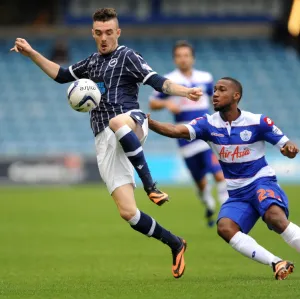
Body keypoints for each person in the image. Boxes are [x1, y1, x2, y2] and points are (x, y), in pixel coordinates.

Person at [10, 8, 203, 278]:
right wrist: (32, 53)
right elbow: (62, 74)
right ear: (93, 33)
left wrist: (185, 91)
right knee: (128, 213)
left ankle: (151, 186)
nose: (104, 38)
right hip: (104, 140)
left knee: (117, 122)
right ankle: (175, 242)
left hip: (132, 122)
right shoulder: (90, 63)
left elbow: (156, 81)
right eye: (99, 33)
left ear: (118, 32)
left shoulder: (127, 56)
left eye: (109, 32)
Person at [148, 77, 300, 280]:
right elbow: (176, 130)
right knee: (225, 228)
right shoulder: (208, 124)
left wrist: (289, 149)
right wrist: (149, 122)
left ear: (236, 96)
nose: (215, 94)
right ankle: (276, 262)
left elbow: (285, 144)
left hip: (261, 182)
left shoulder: (258, 122)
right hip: (237, 193)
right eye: (215, 90)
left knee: (275, 217)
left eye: (222, 90)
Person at [149, 40, 227, 226]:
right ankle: (206, 199)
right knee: (200, 180)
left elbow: (216, 98)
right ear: (175, 59)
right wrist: (167, 103)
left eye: (186, 55)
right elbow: (153, 103)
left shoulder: (205, 77)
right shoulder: (169, 80)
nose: (183, 59)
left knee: (219, 173)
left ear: (192, 58)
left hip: (205, 129)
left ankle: (226, 214)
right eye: (179, 56)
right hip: (184, 133)